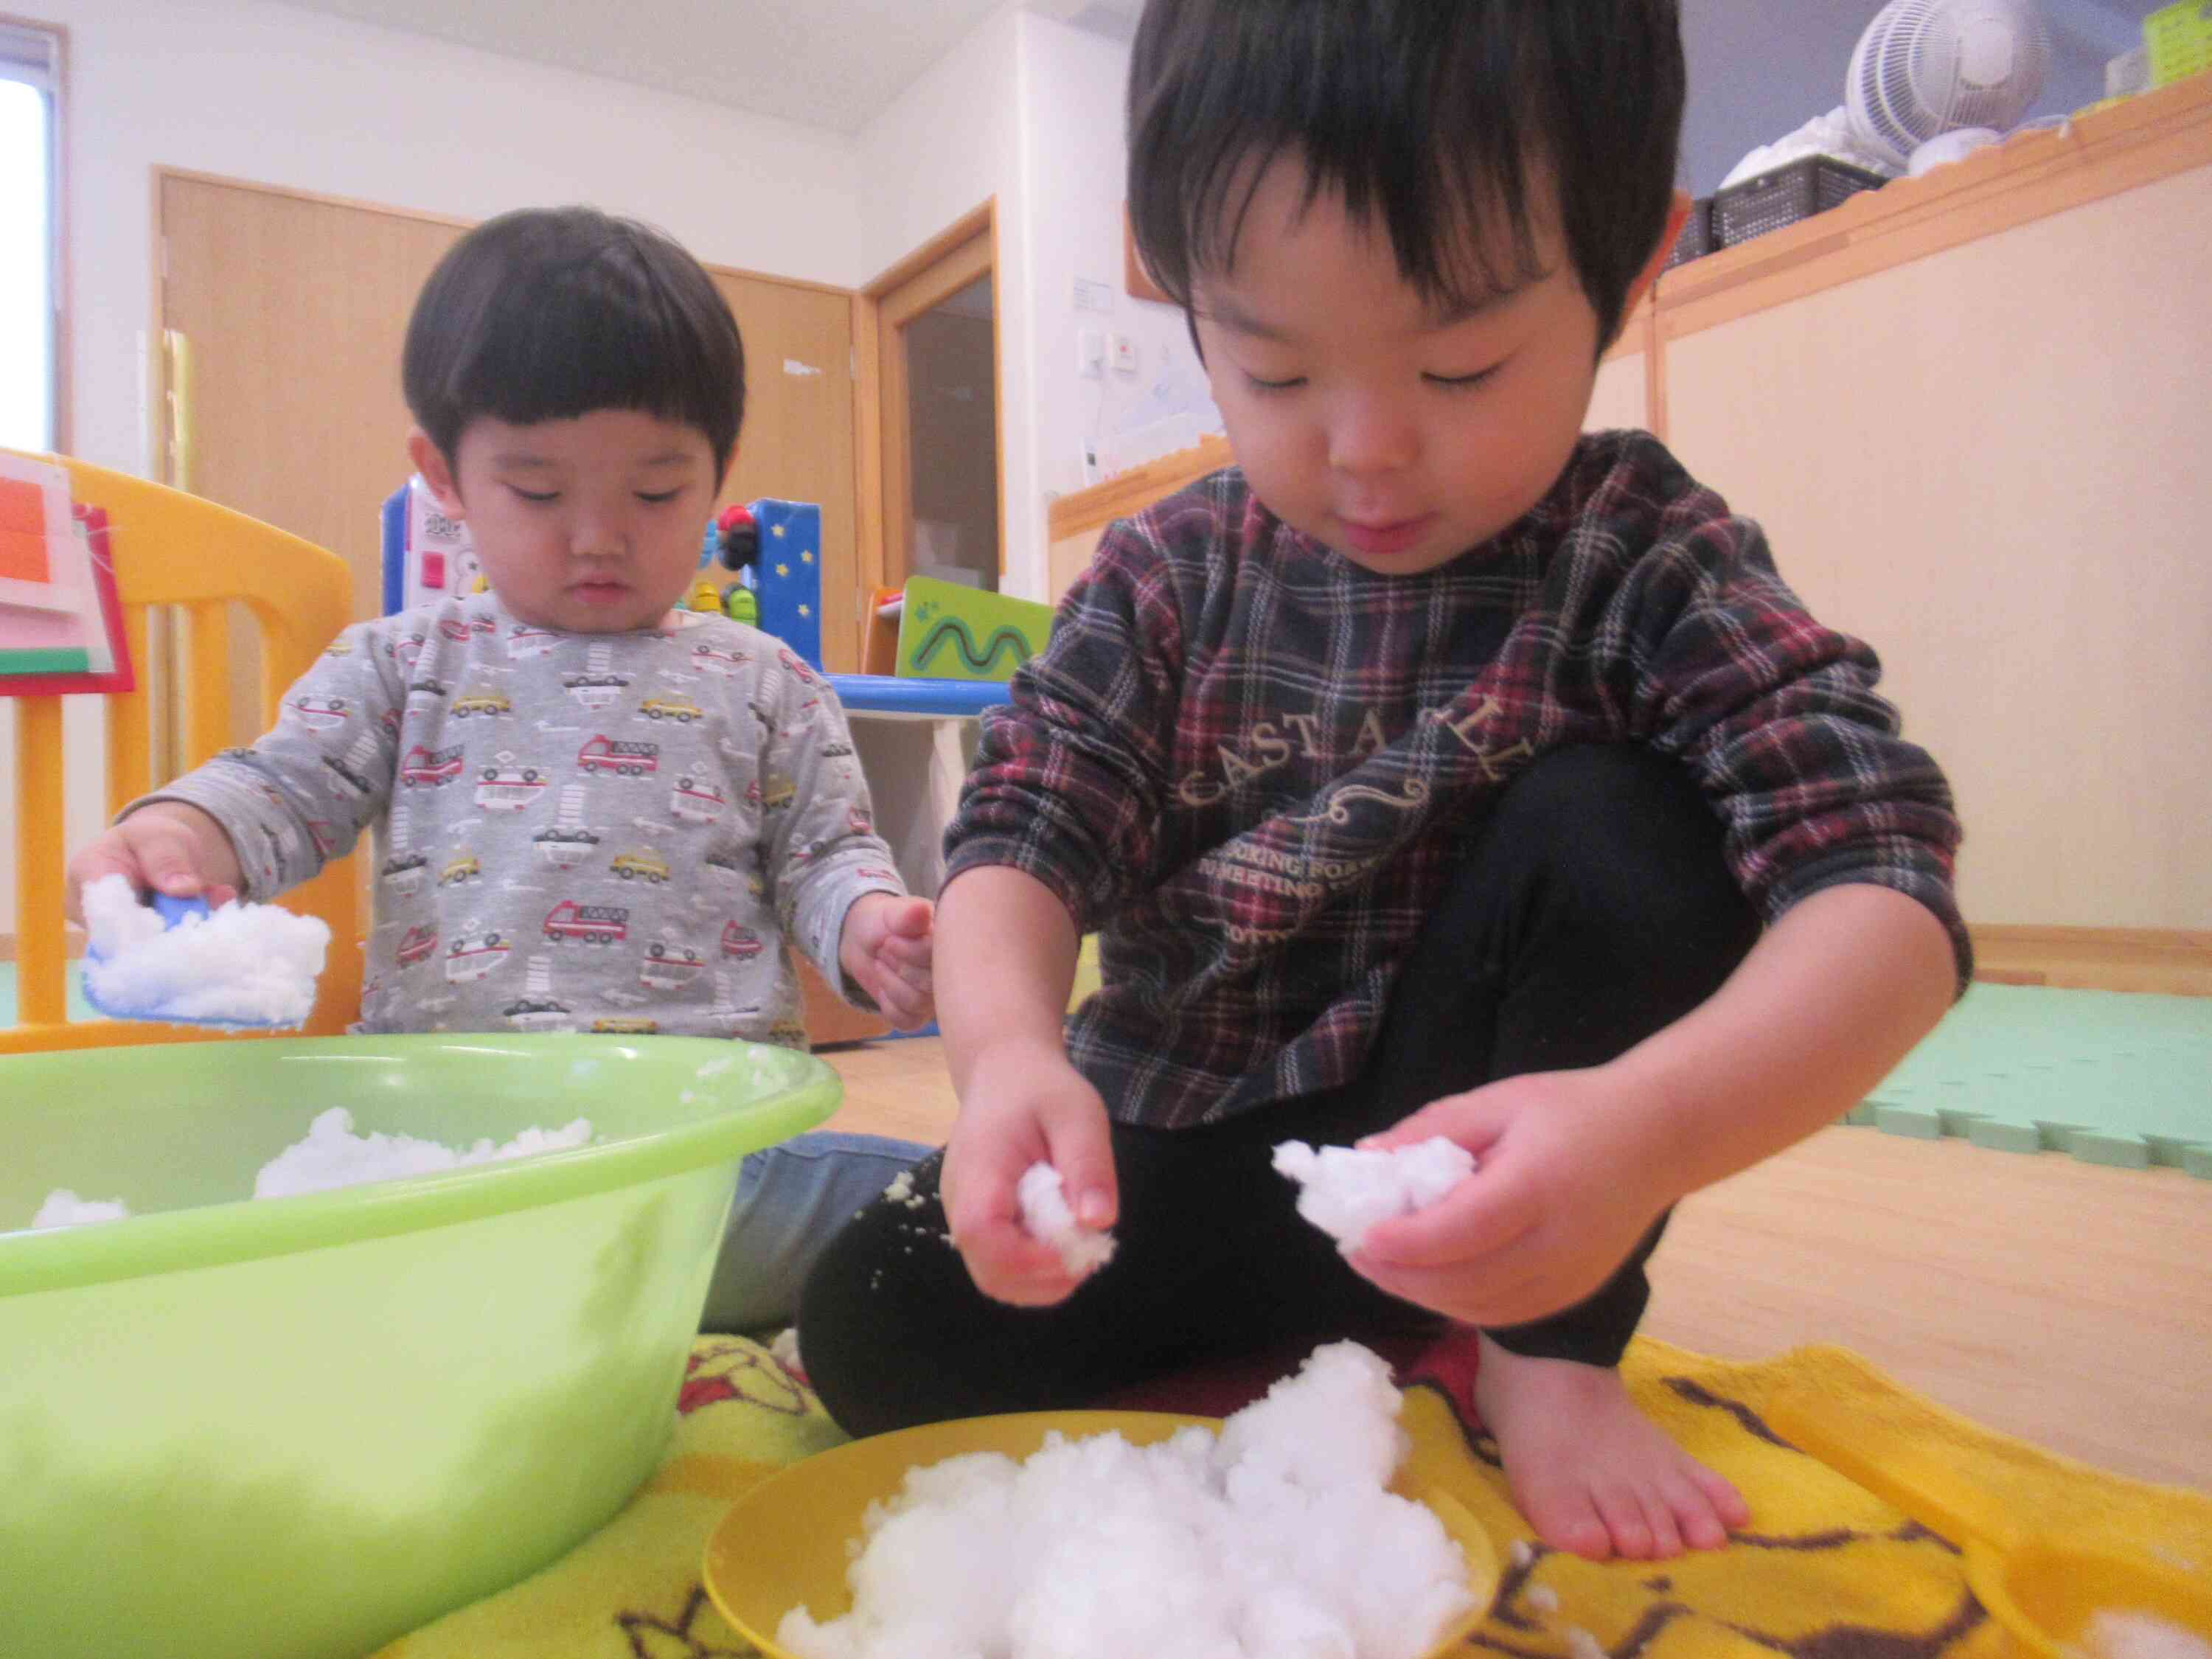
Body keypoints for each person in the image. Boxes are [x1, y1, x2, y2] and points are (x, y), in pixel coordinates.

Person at [796, 0, 1968, 1564]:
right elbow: (1024, 823)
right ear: (1190, 303)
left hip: (1483, 1151)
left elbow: (1882, 883)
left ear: (1628, 278)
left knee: (1631, 821)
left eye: (1463, 365)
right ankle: (1344, 1334)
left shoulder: (1641, 554)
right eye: (1273, 375)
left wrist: (1643, 1137)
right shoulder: (1168, 573)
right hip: (1177, 1135)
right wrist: (1008, 1060)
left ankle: (1542, 1355)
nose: (1364, 451)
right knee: (870, 1325)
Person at [66, 206, 934, 1331]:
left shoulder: (768, 679)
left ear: (719, 475)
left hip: (706, 1165)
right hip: (443, 1154)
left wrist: (868, 922)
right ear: (446, 477)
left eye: (656, 492)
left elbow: (825, 855)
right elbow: (283, 785)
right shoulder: (401, 662)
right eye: (538, 491)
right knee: (221, 1219)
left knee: (941, 1206)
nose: (598, 537)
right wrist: (184, 832)